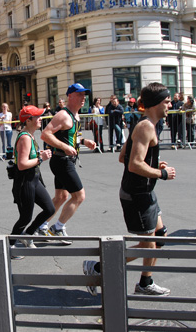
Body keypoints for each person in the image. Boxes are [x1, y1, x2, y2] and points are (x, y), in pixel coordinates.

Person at [82, 83, 174, 297]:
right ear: (156, 103)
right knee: (147, 244)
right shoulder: (146, 127)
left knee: (159, 237)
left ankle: (145, 282)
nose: (170, 104)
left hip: (146, 191)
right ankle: (96, 268)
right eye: (167, 101)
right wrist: (161, 173)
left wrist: (154, 164)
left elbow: (123, 156)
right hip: (136, 194)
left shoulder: (148, 124)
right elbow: (133, 164)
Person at [39, 83, 96, 243]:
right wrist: (65, 147)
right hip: (62, 161)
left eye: (84, 95)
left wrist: (84, 141)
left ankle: (41, 225)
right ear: (70, 96)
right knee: (79, 196)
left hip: (66, 160)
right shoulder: (63, 115)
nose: (83, 98)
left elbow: (72, 136)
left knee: (61, 196)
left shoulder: (75, 115)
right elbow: (45, 134)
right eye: (79, 94)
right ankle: (57, 228)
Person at [9, 106, 55, 253]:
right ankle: (10, 245)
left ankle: (28, 235)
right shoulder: (25, 137)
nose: (40, 118)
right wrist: (41, 158)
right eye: (37, 116)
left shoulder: (30, 135)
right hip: (25, 182)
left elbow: (28, 158)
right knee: (25, 218)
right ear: (28, 120)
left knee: (50, 209)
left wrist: (38, 155)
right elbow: (22, 165)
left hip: (34, 180)